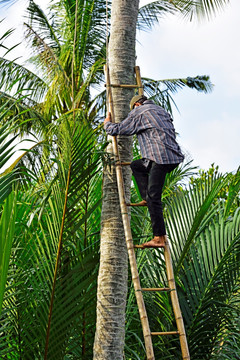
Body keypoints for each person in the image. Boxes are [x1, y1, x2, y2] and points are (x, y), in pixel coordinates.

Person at [104, 95, 184, 248]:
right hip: (172, 156)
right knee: (136, 166)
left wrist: (107, 124)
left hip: (159, 157)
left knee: (155, 197)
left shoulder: (139, 111)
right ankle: (146, 198)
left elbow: (118, 130)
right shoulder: (161, 110)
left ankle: (159, 237)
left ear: (136, 104)